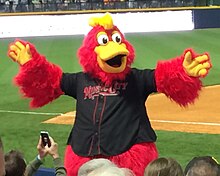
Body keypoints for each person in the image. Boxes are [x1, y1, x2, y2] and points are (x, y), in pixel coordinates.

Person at [7, 12, 212, 176]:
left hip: (127, 159)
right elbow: (51, 81)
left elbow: (163, 77)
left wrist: (183, 72)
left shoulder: (135, 79)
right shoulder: (80, 80)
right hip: (85, 159)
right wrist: (32, 66)